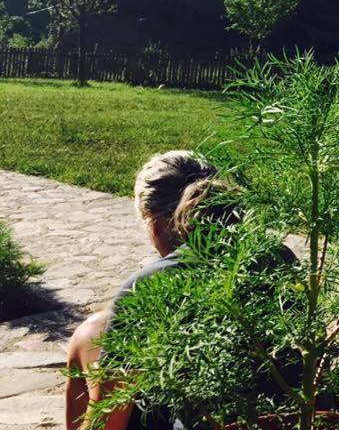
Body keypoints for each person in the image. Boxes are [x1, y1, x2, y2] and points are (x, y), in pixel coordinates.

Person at [65, 151, 239, 430]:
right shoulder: (277, 256)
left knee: (86, 337)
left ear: (154, 221)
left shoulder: (147, 287)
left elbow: (108, 424)